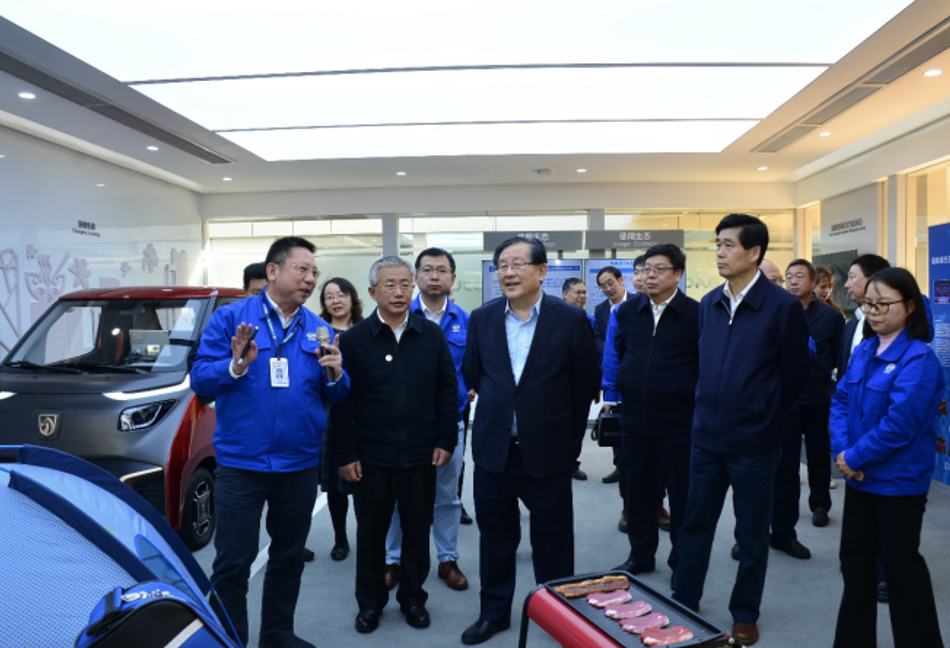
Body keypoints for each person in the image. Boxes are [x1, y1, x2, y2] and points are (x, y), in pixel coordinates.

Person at [191, 237, 349, 648]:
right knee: (232, 562)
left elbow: (336, 395)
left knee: (288, 555)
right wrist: (234, 367)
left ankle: (277, 634)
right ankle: (231, 640)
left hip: (299, 463)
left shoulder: (319, 328)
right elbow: (201, 381)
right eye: (303, 269)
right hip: (241, 463)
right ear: (274, 271)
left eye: (315, 272)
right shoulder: (231, 319)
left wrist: (337, 374)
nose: (311, 279)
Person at [672, 214, 810, 646]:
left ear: (754, 253)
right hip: (705, 438)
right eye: (717, 244)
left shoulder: (782, 307)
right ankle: (684, 598)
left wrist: (762, 411)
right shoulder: (709, 303)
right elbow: (700, 365)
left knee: (751, 533)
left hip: (755, 443)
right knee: (694, 525)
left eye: (728, 245)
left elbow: (794, 376)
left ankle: (745, 613)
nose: (719, 252)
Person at [460, 236, 600, 645]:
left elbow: (584, 386)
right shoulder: (482, 318)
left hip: (549, 450)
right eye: (502, 265)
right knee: (496, 538)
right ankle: (493, 613)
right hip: (495, 450)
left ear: (541, 271)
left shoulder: (570, 319)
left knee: (553, 542)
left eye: (518, 264)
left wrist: (569, 442)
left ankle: (558, 616)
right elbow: (474, 373)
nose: (508, 272)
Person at [335, 256, 458, 635]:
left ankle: (413, 599)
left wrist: (446, 439)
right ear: (373, 292)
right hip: (371, 457)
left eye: (405, 284)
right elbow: (341, 403)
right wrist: (346, 454)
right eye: (390, 284)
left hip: (421, 454)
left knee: (417, 531)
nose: (399, 291)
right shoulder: (354, 340)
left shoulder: (430, 335)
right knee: (370, 534)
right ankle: (369, 603)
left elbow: (446, 390)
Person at [830, 267, 945, 648]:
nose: (873, 312)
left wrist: (855, 457)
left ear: (910, 306)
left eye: (883, 304)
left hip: (897, 483)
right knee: (855, 565)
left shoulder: (919, 359)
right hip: (859, 477)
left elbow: (901, 424)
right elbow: (840, 401)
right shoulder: (865, 349)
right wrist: (843, 453)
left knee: (900, 570)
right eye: (868, 305)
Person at [601, 243, 698, 582]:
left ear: (678, 274)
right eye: (644, 270)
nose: (649, 276)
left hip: (679, 426)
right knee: (638, 494)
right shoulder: (627, 312)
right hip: (634, 423)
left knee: (682, 499)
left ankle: (681, 563)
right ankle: (640, 555)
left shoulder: (695, 314)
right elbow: (621, 354)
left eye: (659, 269)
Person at [384, 248, 471, 593]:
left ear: (453, 278)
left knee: (447, 497)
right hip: (403, 425)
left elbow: (476, 366)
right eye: (427, 270)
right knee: (396, 495)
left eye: (442, 270)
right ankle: (393, 560)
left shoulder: (468, 321)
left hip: (450, 423)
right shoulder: (399, 315)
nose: (435, 276)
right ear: (416, 276)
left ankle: (447, 559)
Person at [785, 259, 844, 528]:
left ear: (813, 282)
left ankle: (820, 505)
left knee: (818, 454)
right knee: (786, 457)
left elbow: (838, 357)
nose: (793, 281)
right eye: (789, 276)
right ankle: (786, 509)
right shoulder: (780, 312)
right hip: (786, 397)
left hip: (817, 395)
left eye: (799, 276)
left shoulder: (831, 317)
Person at [317, 276, 364, 562]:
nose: (335, 300)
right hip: (330, 413)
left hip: (363, 413)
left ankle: (367, 536)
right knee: (335, 484)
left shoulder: (367, 330)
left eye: (341, 294)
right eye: (329, 296)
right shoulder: (319, 333)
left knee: (364, 483)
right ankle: (340, 538)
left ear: (352, 298)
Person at [593, 266, 631, 493]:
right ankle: (619, 466)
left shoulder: (637, 302)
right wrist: (610, 349)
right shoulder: (601, 309)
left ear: (621, 280)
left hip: (633, 371)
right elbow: (598, 337)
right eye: (603, 286)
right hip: (613, 371)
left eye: (610, 283)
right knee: (615, 423)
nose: (608, 289)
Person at [561, 276, 594, 482]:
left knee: (579, 426)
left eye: (584, 292)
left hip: (581, 386)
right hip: (559, 385)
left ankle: (572, 463)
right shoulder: (556, 318)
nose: (582, 296)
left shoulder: (589, 319)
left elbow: (593, 355)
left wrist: (595, 384)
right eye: (578, 292)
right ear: (565, 294)